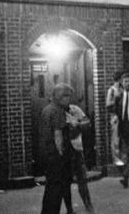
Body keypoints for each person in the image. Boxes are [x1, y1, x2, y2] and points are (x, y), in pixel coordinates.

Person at [40, 83, 74, 214]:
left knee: (50, 188)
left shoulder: (47, 109)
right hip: (56, 156)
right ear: (62, 97)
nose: (69, 100)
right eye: (68, 97)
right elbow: (58, 134)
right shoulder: (58, 111)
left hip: (47, 154)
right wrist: (61, 153)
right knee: (57, 190)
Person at [64, 100, 94, 214]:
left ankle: (88, 204)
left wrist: (77, 124)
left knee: (82, 178)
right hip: (65, 151)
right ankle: (69, 209)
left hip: (77, 148)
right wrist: (71, 127)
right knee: (66, 181)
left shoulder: (75, 109)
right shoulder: (57, 112)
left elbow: (87, 123)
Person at [104, 71, 125, 167]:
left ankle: (123, 157)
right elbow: (108, 104)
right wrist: (116, 100)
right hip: (115, 116)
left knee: (122, 137)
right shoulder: (112, 90)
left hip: (122, 115)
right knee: (115, 137)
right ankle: (116, 158)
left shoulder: (122, 89)